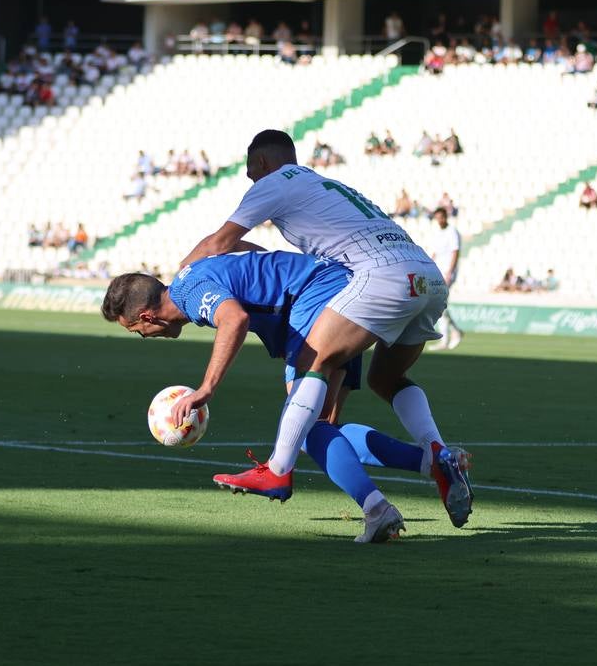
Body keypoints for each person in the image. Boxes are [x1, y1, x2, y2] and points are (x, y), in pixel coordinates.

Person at [176, 130, 464, 508]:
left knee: (313, 362)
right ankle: (437, 453)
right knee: (386, 378)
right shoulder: (321, 182)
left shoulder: (275, 181)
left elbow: (219, 243)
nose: (249, 179)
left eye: (250, 171)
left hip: (381, 275)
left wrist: (181, 275)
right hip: (426, 276)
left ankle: (278, 469)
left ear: (262, 162)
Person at [101, 252, 473, 538]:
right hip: (341, 293)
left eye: (135, 329)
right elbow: (245, 250)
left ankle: (378, 510)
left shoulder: (189, 291)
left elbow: (235, 319)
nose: (142, 336)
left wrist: (206, 388)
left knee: (305, 426)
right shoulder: (192, 273)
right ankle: (434, 462)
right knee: (325, 426)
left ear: (148, 317)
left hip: (319, 303)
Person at [428, 207, 463, 351]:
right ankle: (455, 332)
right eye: (437, 218)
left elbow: (455, 252)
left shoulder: (452, 232)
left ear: (446, 217)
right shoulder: (438, 233)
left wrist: (450, 271)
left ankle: (446, 339)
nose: (439, 220)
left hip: (448, 272)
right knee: (439, 304)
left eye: (441, 217)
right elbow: (435, 253)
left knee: (439, 303)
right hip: (438, 272)